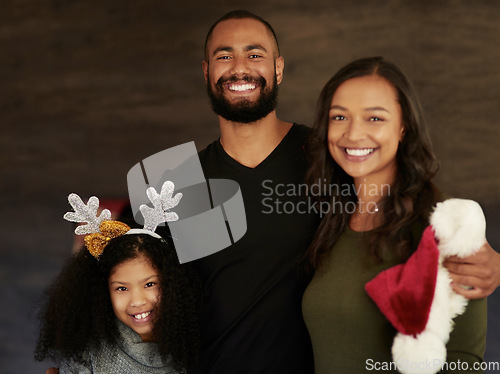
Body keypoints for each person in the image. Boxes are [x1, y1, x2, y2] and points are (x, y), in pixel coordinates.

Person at [45, 10, 500, 374]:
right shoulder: (168, 179)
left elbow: (407, 211)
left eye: (255, 54)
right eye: (224, 56)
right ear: (206, 72)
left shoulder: (329, 158)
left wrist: (483, 256)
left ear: (278, 68)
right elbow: (125, 289)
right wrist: (83, 361)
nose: (239, 66)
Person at [302, 56, 487, 373]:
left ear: (403, 127)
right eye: (339, 117)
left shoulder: (447, 226)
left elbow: (464, 361)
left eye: (374, 118)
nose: (354, 134)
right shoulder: (329, 219)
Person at [36, 201, 201, 373]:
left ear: (172, 284)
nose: (137, 301)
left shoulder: (193, 344)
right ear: (103, 292)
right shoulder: (88, 354)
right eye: (122, 288)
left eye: (149, 284)